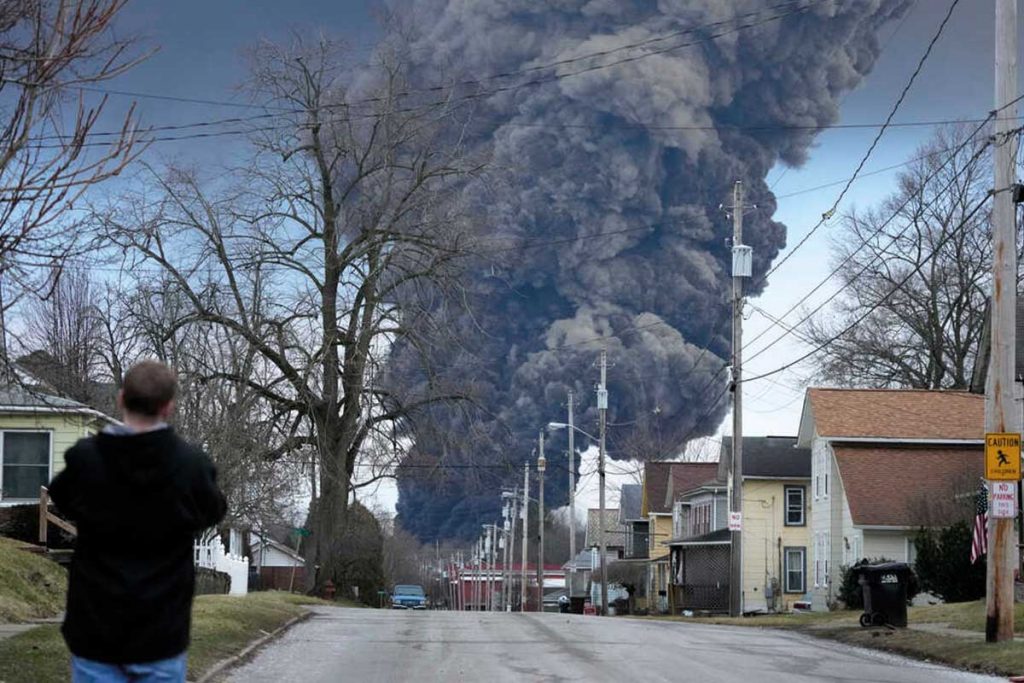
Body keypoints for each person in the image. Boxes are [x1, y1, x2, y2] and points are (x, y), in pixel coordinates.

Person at [48, 360, 227, 683]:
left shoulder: (86, 459)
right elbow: (213, 511)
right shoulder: (191, 466)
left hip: (95, 631)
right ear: (169, 407)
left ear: (120, 399)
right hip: (161, 634)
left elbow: (61, 498)